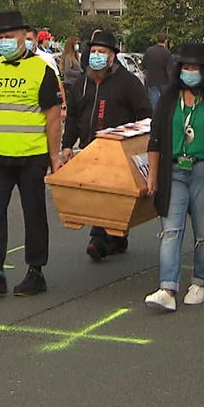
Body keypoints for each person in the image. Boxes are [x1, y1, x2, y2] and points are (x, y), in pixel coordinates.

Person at [0, 10, 63, 297]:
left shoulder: (41, 70)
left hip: (31, 156)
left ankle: (35, 271)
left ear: (24, 37)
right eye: (0, 37)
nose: (4, 41)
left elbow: (53, 117)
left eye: (10, 36)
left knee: (34, 214)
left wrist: (54, 157)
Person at [143, 42, 204, 312]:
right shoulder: (169, 99)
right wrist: (153, 176)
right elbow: (155, 139)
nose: (189, 72)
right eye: (186, 67)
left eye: (195, 68)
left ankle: (200, 282)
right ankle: (167, 288)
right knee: (171, 229)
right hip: (174, 171)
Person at [61, 30, 151, 261]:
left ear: (112, 57)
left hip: (119, 151)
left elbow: (145, 114)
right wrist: (67, 144)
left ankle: (99, 238)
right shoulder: (82, 83)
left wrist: (138, 142)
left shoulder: (128, 83)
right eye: (94, 52)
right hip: (90, 149)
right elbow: (72, 116)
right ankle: (108, 238)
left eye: (102, 52)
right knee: (98, 195)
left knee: (113, 196)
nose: (97, 56)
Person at [142, 33, 175, 109]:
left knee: (154, 104)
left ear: (157, 40)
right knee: (165, 104)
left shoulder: (149, 51)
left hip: (151, 81)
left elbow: (144, 65)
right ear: (166, 41)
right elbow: (170, 69)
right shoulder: (167, 53)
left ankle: (155, 119)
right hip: (164, 82)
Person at [59, 36, 83, 101]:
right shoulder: (68, 57)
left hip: (75, 83)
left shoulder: (75, 56)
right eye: (76, 44)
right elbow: (67, 71)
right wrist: (80, 73)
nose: (77, 45)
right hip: (69, 84)